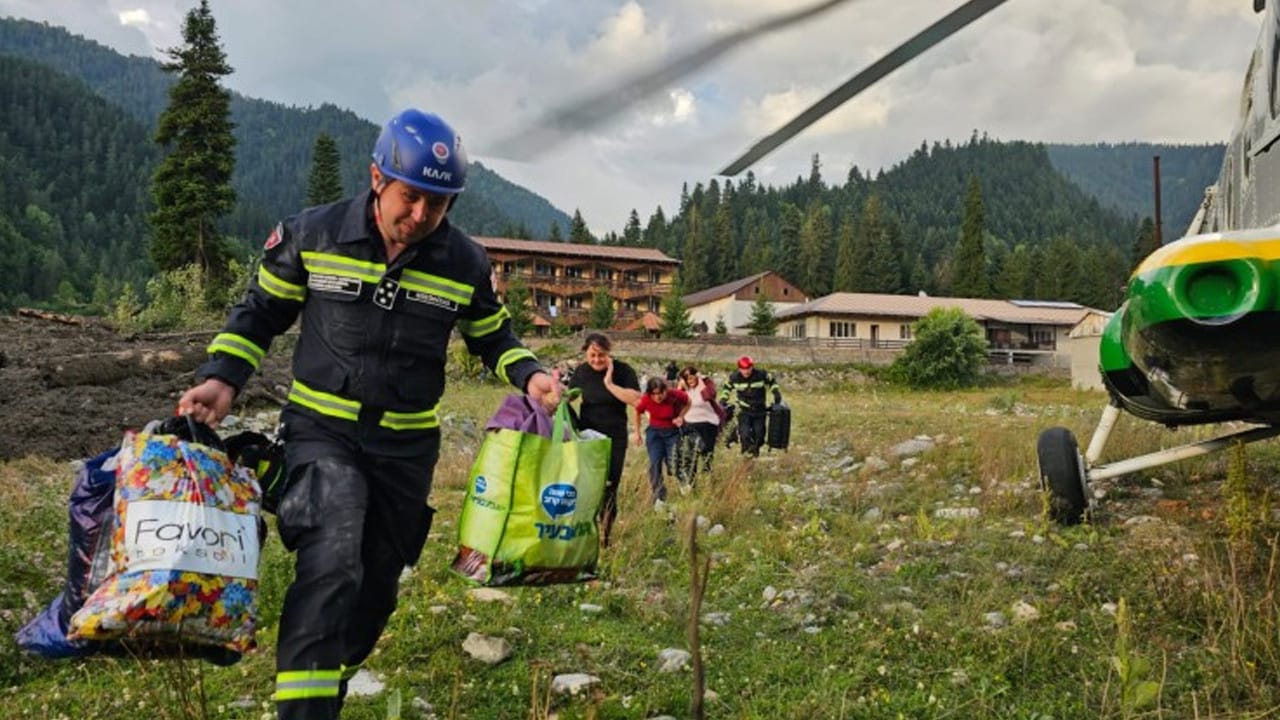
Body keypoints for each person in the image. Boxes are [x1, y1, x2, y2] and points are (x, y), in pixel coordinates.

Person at [177, 108, 561, 720]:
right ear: (377, 177)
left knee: (375, 587)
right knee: (331, 557)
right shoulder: (313, 234)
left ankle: (324, 675)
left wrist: (531, 373)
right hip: (320, 432)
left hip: (406, 451)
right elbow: (260, 314)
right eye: (411, 198)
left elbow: (494, 336)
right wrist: (222, 379)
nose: (420, 216)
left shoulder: (462, 262)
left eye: (438, 205)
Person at [567, 333, 641, 546]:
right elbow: (570, 396)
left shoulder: (624, 371)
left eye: (601, 355)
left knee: (609, 485)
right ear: (585, 353)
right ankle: (584, 533)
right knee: (586, 484)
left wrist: (609, 383)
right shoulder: (581, 372)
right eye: (592, 355)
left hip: (614, 437)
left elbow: (636, 400)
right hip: (587, 436)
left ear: (609, 353)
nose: (597, 360)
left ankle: (605, 537)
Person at [631, 377, 689, 504]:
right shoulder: (646, 399)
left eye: (660, 393)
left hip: (672, 433)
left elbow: (688, 401)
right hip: (655, 433)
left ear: (665, 391)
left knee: (672, 463)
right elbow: (637, 411)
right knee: (655, 463)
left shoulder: (675, 395)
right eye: (654, 394)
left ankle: (683, 481)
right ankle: (659, 496)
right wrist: (637, 433)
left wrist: (681, 416)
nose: (658, 397)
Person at [719, 355, 781, 457]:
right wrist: (723, 399)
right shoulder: (734, 377)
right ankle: (746, 456)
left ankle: (755, 450)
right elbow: (727, 388)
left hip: (760, 409)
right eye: (743, 369)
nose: (746, 372)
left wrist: (776, 392)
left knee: (760, 435)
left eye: (748, 369)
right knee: (745, 434)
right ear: (739, 369)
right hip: (743, 410)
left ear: (752, 367)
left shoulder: (761, 374)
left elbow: (772, 381)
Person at [675, 365, 722, 483]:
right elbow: (675, 402)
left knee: (707, 452)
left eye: (691, 377)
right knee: (691, 454)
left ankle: (707, 477)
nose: (689, 381)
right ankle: (692, 481)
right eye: (686, 378)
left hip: (708, 423)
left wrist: (700, 382)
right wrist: (680, 387)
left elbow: (708, 396)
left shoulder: (706, 384)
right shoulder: (684, 390)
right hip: (690, 424)